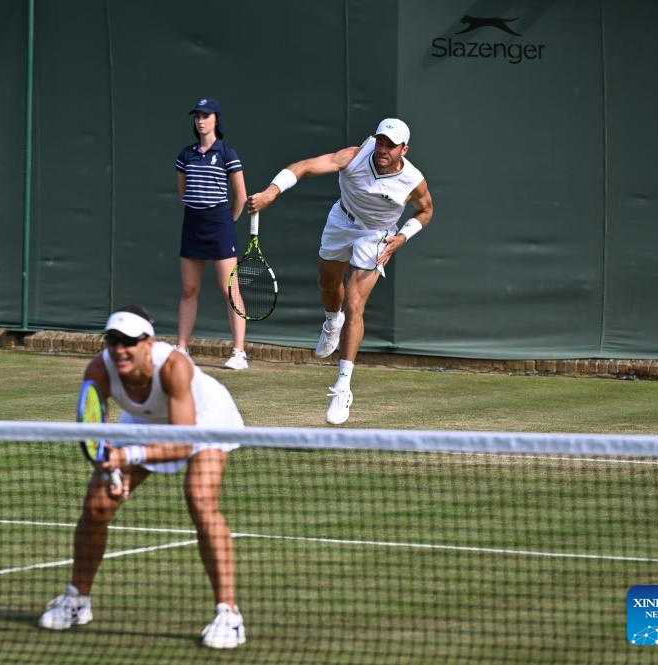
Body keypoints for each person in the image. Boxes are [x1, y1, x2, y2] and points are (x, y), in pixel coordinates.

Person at [38, 305, 247, 649]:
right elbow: (97, 432)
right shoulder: (99, 369)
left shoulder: (174, 367)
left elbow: (183, 443)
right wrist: (109, 467)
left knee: (199, 499)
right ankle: (77, 600)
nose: (120, 349)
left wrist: (126, 456)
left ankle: (229, 614)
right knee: (96, 505)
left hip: (203, 421)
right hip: (143, 424)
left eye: (129, 341)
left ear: (148, 342)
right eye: (112, 341)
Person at [246, 118, 434, 425]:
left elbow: (426, 210)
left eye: (390, 145)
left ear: (404, 149)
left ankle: (342, 387)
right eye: (380, 142)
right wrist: (271, 192)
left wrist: (402, 237)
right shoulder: (354, 156)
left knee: (355, 304)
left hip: (377, 234)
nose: (382, 149)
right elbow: (304, 167)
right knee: (328, 284)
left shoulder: (413, 180)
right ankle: (332, 321)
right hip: (341, 221)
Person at [175, 97, 249, 370]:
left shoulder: (228, 154)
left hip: (220, 225)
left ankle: (239, 352)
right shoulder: (186, 155)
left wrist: (228, 221)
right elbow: (183, 192)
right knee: (189, 289)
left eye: (206, 116)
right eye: (197, 116)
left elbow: (241, 196)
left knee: (230, 289)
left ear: (216, 120)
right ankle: (181, 349)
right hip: (193, 224)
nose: (200, 120)